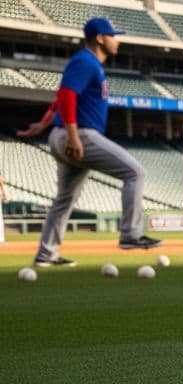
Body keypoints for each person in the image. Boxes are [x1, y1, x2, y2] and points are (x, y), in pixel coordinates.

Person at [19, 17, 160, 268]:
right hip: (80, 135)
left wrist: (44, 124)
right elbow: (66, 94)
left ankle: (46, 254)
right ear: (100, 38)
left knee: (64, 198)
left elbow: (61, 97)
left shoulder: (89, 63)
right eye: (114, 35)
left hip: (66, 134)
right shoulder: (86, 61)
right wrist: (73, 136)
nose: (117, 40)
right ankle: (131, 235)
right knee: (135, 172)